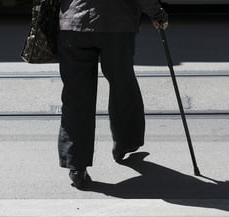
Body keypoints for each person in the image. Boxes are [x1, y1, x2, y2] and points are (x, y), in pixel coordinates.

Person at [57, 0, 169, 189]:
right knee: (122, 85)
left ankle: (76, 166)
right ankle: (125, 144)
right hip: (117, 24)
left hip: (73, 25)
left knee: (76, 96)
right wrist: (157, 13)